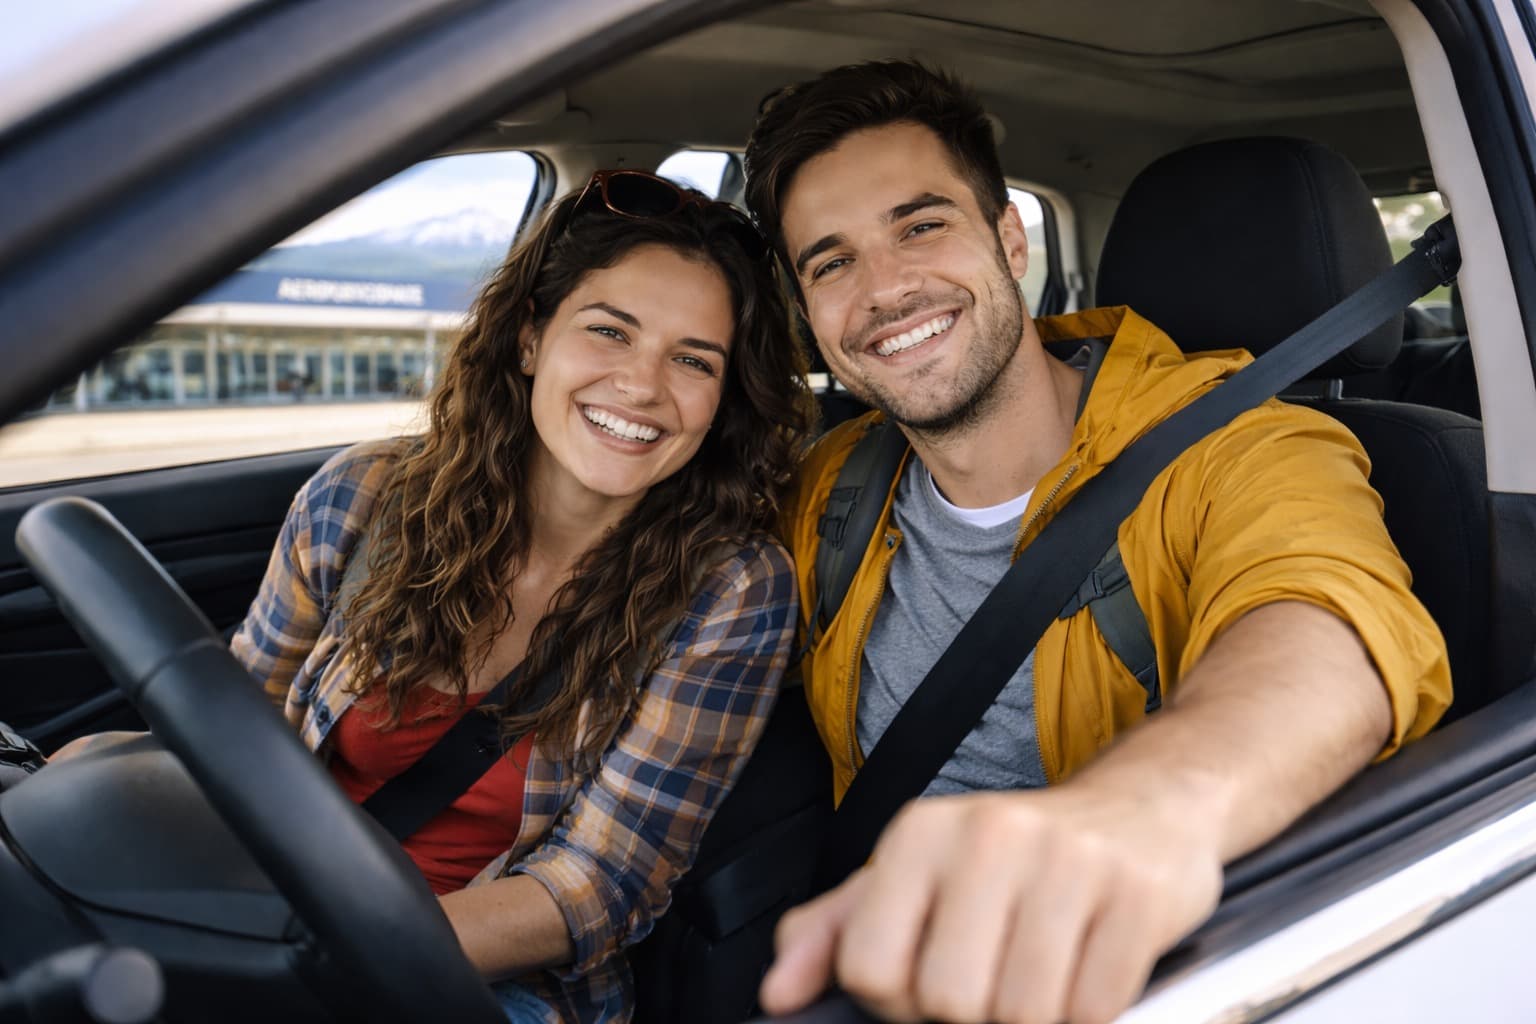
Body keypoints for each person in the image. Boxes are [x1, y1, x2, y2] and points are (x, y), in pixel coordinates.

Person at [741, 61, 1451, 1024]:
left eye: (921, 226)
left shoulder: (1235, 447)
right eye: (831, 263)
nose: (886, 289)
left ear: (1009, 239)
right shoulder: (836, 481)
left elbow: (1325, 633)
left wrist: (1140, 812)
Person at [60, 171, 815, 1024]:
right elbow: (235, 727)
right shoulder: (364, 497)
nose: (643, 386)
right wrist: (108, 784)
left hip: (485, 984)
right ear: (529, 338)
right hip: (269, 911)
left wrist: (321, 960)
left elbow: (597, 885)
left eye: (693, 360)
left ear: (723, 398)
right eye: (609, 331)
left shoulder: (731, 590)